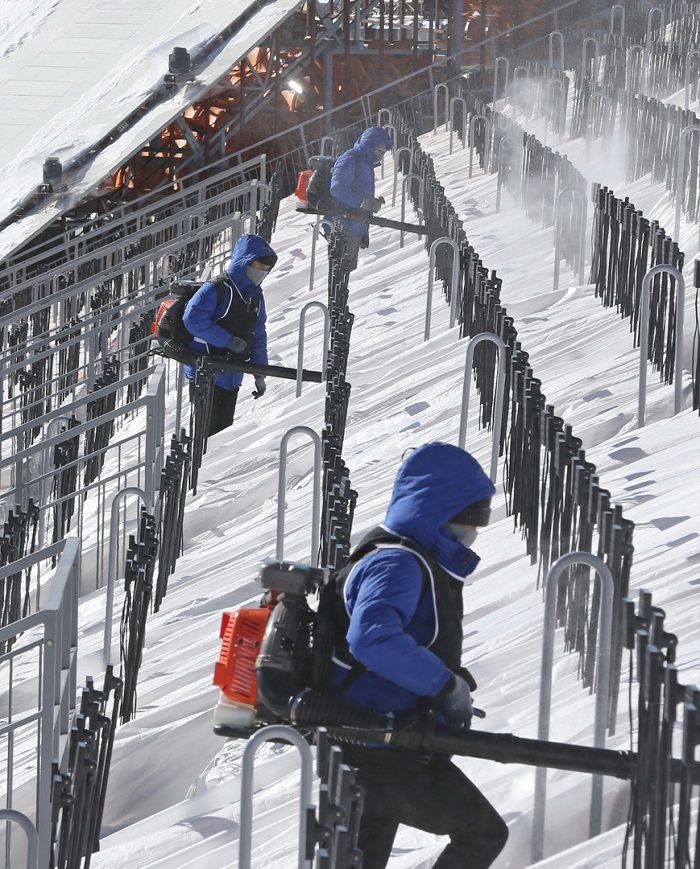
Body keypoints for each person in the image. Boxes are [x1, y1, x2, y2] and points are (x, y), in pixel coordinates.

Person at [331, 442, 508, 868]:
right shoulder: (398, 564)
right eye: (470, 516)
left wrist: (449, 679)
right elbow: (371, 638)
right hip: (377, 750)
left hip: (380, 744)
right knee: (481, 832)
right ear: (436, 509)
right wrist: (444, 685)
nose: (475, 528)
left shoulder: (411, 558)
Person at [182, 233, 277, 436]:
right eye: (258, 267)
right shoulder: (216, 289)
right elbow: (193, 320)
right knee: (203, 436)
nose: (261, 273)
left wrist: (260, 372)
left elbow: (258, 334)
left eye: (265, 270)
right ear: (244, 262)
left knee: (221, 436)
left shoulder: (255, 297)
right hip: (205, 373)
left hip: (233, 375)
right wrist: (228, 341)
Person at [329, 125, 393, 270]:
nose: (380, 155)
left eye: (383, 152)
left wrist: (363, 231)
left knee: (346, 272)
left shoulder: (366, 164)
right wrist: (364, 203)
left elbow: (362, 197)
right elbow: (337, 188)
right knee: (339, 274)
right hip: (343, 226)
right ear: (369, 144)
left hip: (354, 227)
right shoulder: (350, 159)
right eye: (378, 151)